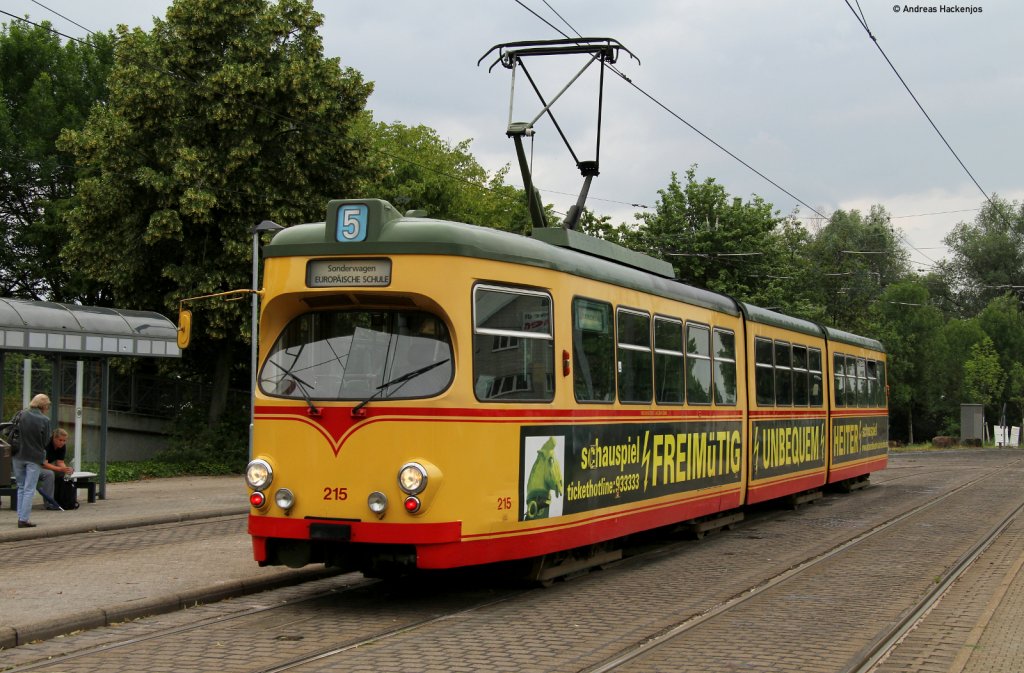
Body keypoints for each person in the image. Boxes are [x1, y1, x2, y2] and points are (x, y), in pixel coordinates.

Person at [11, 394, 53, 528]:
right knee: (29, 489)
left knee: (21, 487)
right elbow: (46, 441)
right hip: (34, 457)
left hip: (17, 455)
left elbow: (10, 430)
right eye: (47, 405)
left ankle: (20, 516)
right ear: (44, 405)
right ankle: (23, 520)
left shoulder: (21, 414)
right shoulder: (45, 420)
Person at [39, 428, 74, 510]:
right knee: (49, 474)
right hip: (34, 467)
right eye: (60, 440)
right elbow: (44, 464)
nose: (62, 442)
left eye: (64, 440)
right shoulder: (47, 444)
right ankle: (49, 503)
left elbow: (60, 462)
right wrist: (60, 469)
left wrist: (66, 469)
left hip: (43, 466)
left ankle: (61, 498)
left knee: (64, 474)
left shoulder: (62, 446)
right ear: (54, 438)